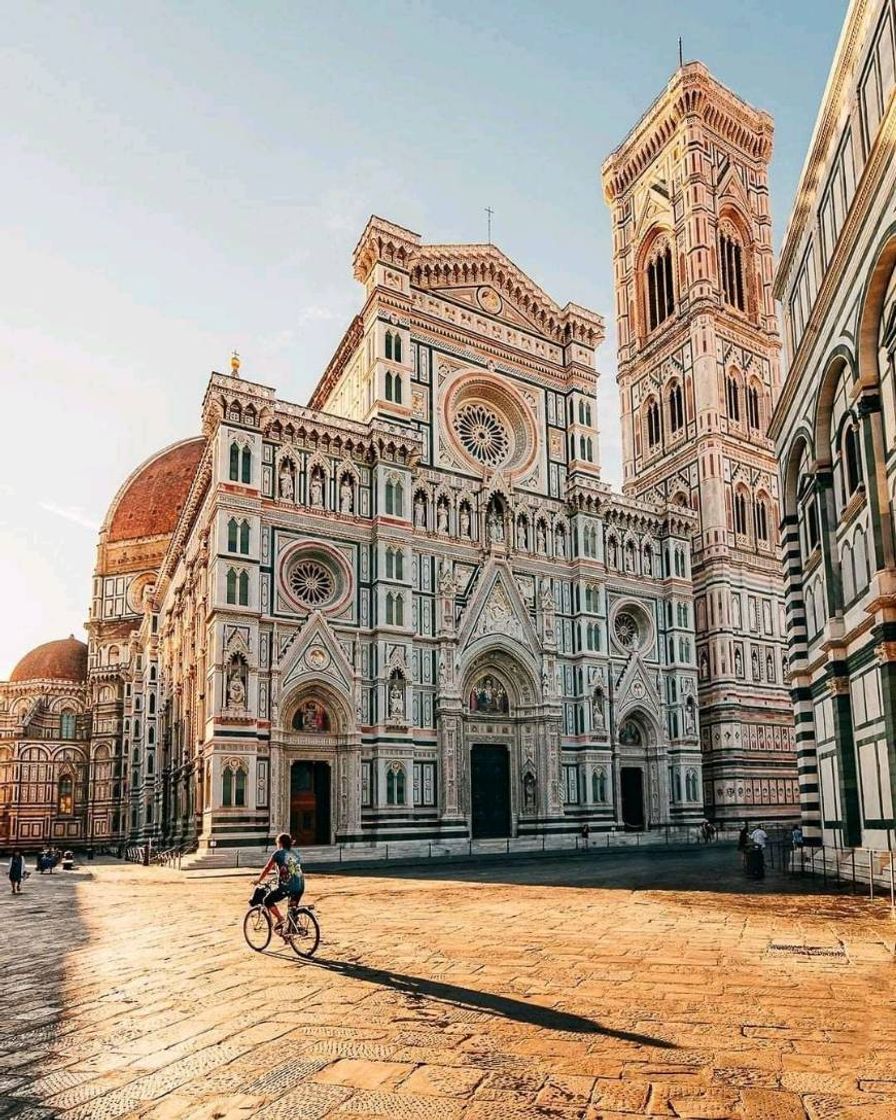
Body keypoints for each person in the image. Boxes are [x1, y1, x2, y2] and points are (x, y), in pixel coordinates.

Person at [254, 833, 304, 939]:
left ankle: (280, 918)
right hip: (300, 885)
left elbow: (267, 868)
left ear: (279, 843)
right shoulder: (295, 853)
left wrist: (258, 880)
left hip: (287, 886)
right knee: (292, 909)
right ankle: (290, 931)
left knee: (267, 900)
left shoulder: (278, 853)